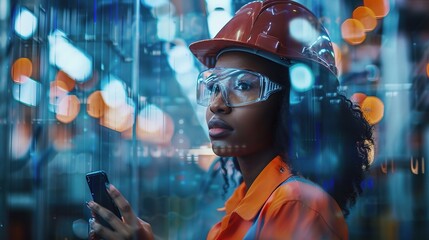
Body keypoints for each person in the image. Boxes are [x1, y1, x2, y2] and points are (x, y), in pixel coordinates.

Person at [86, 0, 374, 239]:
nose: (217, 104)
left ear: (294, 103)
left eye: (244, 86)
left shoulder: (294, 203)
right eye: (213, 86)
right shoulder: (247, 203)